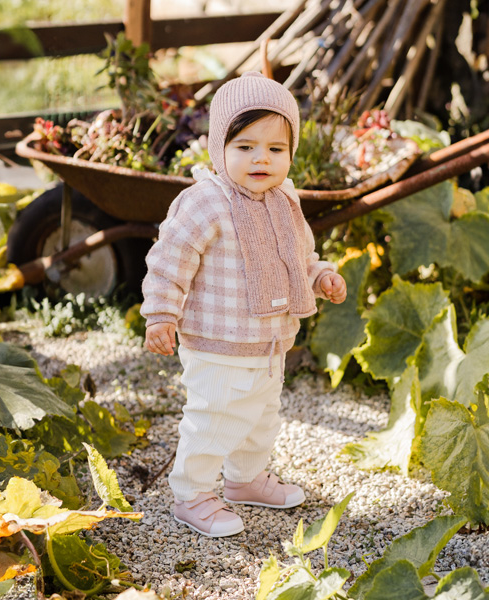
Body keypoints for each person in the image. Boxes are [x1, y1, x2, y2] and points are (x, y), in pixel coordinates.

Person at [140, 72, 347, 537]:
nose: (261, 159)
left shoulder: (285, 199)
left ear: (291, 155)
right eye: (246, 146)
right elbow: (170, 261)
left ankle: (245, 479)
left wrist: (320, 276)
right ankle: (192, 494)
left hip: (270, 342)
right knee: (215, 417)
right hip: (218, 341)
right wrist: (161, 314)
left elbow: (300, 257)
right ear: (219, 147)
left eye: (276, 149)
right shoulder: (204, 203)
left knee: (260, 416)